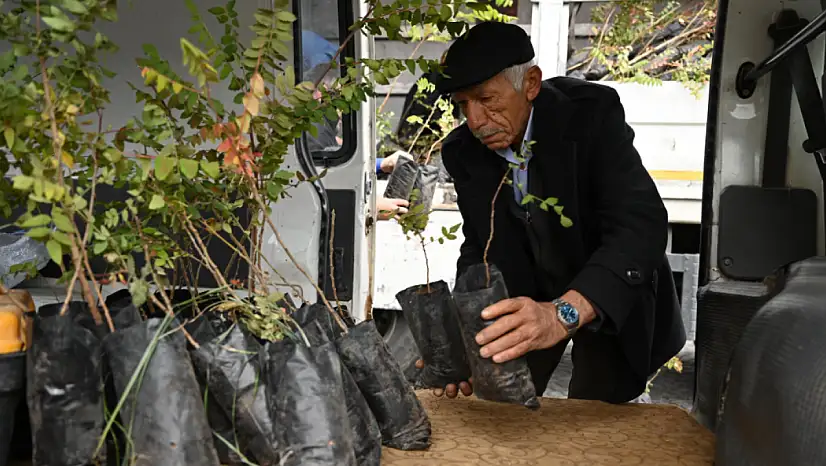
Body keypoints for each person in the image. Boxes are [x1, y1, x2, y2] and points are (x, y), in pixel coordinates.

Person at [429, 21, 686, 404]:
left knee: (600, 413)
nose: (475, 121)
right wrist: (469, 329)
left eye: (486, 99)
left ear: (531, 84)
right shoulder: (464, 152)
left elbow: (639, 226)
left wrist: (560, 314)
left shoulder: (589, 115)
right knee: (504, 407)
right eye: (463, 105)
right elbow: (480, 246)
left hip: (607, 288)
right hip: (526, 294)